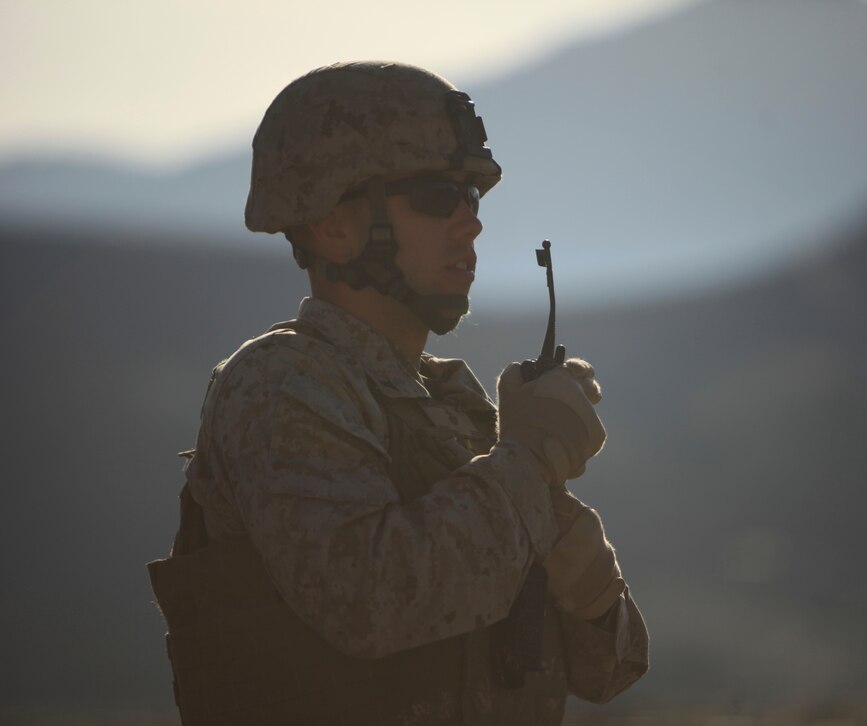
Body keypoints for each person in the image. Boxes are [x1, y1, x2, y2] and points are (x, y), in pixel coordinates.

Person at [148, 61, 648, 725]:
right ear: (333, 224)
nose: (469, 225)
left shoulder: (454, 410)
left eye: (472, 200)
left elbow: (608, 671)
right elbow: (367, 603)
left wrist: (591, 591)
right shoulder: (279, 386)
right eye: (438, 197)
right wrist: (526, 462)